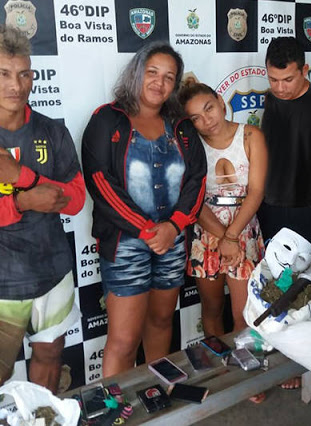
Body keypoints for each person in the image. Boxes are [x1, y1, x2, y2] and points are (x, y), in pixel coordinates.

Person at [0, 26, 85, 424]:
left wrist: (23, 177)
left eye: (24, 74)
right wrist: (20, 202)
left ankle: (42, 420)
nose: (16, 85)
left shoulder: (52, 131)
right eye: (3, 74)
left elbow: (76, 199)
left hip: (52, 271)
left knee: (50, 355)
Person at [81, 42, 206, 378]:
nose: (159, 82)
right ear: (136, 73)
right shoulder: (107, 119)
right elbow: (100, 183)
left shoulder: (181, 126)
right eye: (152, 72)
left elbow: (197, 179)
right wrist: (148, 230)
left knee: (162, 321)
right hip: (125, 245)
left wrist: (173, 226)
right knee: (124, 339)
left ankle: (157, 392)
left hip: (172, 242)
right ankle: (113, 403)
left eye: (168, 77)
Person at [259, 36, 311, 389]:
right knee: (270, 284)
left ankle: (293, 364)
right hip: (266, 207)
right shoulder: (271, 99)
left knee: (293, 287)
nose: (279, 87)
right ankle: (274, 354)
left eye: (288, 79)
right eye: (273, 79)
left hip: (302, 210)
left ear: (304, 70)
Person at [178, 81, 267, 337]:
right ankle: (217, 360)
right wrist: (223, 237)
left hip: (243, 230)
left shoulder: (251, 136)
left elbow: (256, 192)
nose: (207, 120)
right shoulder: (191, 146)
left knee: (244, 314)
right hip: (206, 233)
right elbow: (193, 199)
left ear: (220, 101)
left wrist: (232, 237)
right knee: (212, 308)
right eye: (196, 118)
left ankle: (243, 362)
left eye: (209, 108)